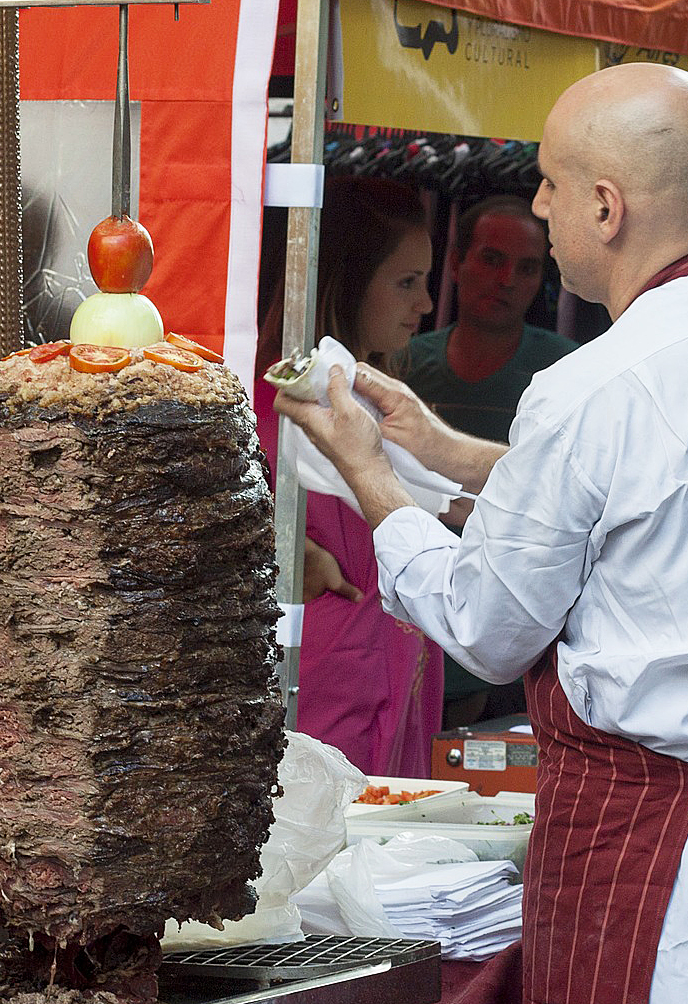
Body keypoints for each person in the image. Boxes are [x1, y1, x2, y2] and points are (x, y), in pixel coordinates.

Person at [277, 62, 688, 1004]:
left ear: (606, 207)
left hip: (666, 851)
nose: (539, 203)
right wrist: (441, 448)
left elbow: (487, 623)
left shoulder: (593, 385)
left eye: (552, 184)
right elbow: (662, 494)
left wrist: (368, 470)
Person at [254, 175, 443, 777]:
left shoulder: (389, 409)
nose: (427, 305)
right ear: (349, 280)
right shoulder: (269, 411)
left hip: (389, 705)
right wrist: (280, 550)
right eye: (407, 282)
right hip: (325, 718)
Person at [396, 195, 578, 726]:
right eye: (492, 259)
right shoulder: (403, 363)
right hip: (409, 617)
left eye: (527, 268)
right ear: (456, 262)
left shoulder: (566, 371)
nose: (506, 280)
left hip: (516, 635)